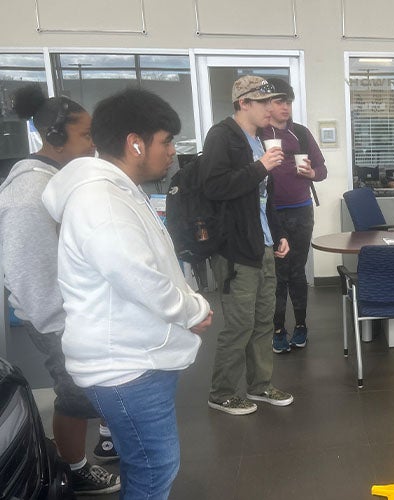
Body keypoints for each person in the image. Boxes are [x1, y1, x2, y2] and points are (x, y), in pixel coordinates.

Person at [41, 88, 213, 500]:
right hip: (125, 367)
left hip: (134, 356)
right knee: (155, 466)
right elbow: (139, 276)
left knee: (150, 462)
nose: (172, 151)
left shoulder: (116, 189)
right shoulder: (99, 200)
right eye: (166, 140)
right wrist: (191, 309)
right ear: (135, 143)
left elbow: (150, 264)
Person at [0, 84, 121, 495]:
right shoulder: (29, 194)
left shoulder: (60, 179)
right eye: (86, 135)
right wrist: (62, 325)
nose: (93, 143)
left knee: (92, 388)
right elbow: (26, 271)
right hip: (58, 318)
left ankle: (103, 442)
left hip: (80, 312)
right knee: (72, 395)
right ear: (54, 138)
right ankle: (75, 468)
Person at [201, 75, 293, 415]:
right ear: (244, 103)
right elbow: (214, 187)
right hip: (236, 248)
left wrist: (279, 232)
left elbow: (265, 199)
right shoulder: (223, 136)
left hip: (263, 242)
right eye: (264, 102)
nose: (273, 109)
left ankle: (260, 385)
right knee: (239, 323)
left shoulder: (260, 140)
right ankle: (221, 391)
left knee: (264, 320)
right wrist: (259, 168)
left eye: (274, 102)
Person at [258, 78, 327, 352]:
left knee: (297, 271)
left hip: (301, 209)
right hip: (269, 213)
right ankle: (277, 329)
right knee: (276, 274)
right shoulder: (257, 134)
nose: (285, 107)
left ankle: (301, 325)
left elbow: (322, 170)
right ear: (266, 104)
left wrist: (311, 173)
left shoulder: (300, 132)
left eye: (288, 101)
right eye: (278, 101)